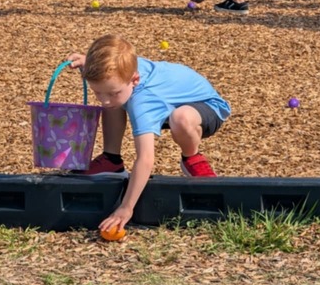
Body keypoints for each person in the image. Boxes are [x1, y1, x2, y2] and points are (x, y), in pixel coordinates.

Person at [68, 34, 231, 235]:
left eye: (111, 92)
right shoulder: (122, 74)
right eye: (98, 92)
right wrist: (89, 61)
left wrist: (126, 208)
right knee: (116, 103)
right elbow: (111, 67)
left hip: (206, 108)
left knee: (181, 119)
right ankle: (112, 159)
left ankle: (192, 156)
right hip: (165, 102)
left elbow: (145, 159)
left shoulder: (143, 102)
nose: (104, 100)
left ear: (135, 79)